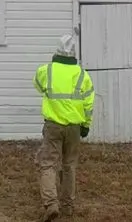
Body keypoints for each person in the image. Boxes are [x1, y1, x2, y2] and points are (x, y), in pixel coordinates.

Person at [33, 34, 94, 220]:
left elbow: (37, 85)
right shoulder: (83, 75)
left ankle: (51, 204)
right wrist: (86, 125)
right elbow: (88, 104)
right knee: (69, 166)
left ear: (57, 50)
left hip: (53, 126)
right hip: (74, 127)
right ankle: (67, 206)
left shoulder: (45, 71)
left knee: (48, 164)